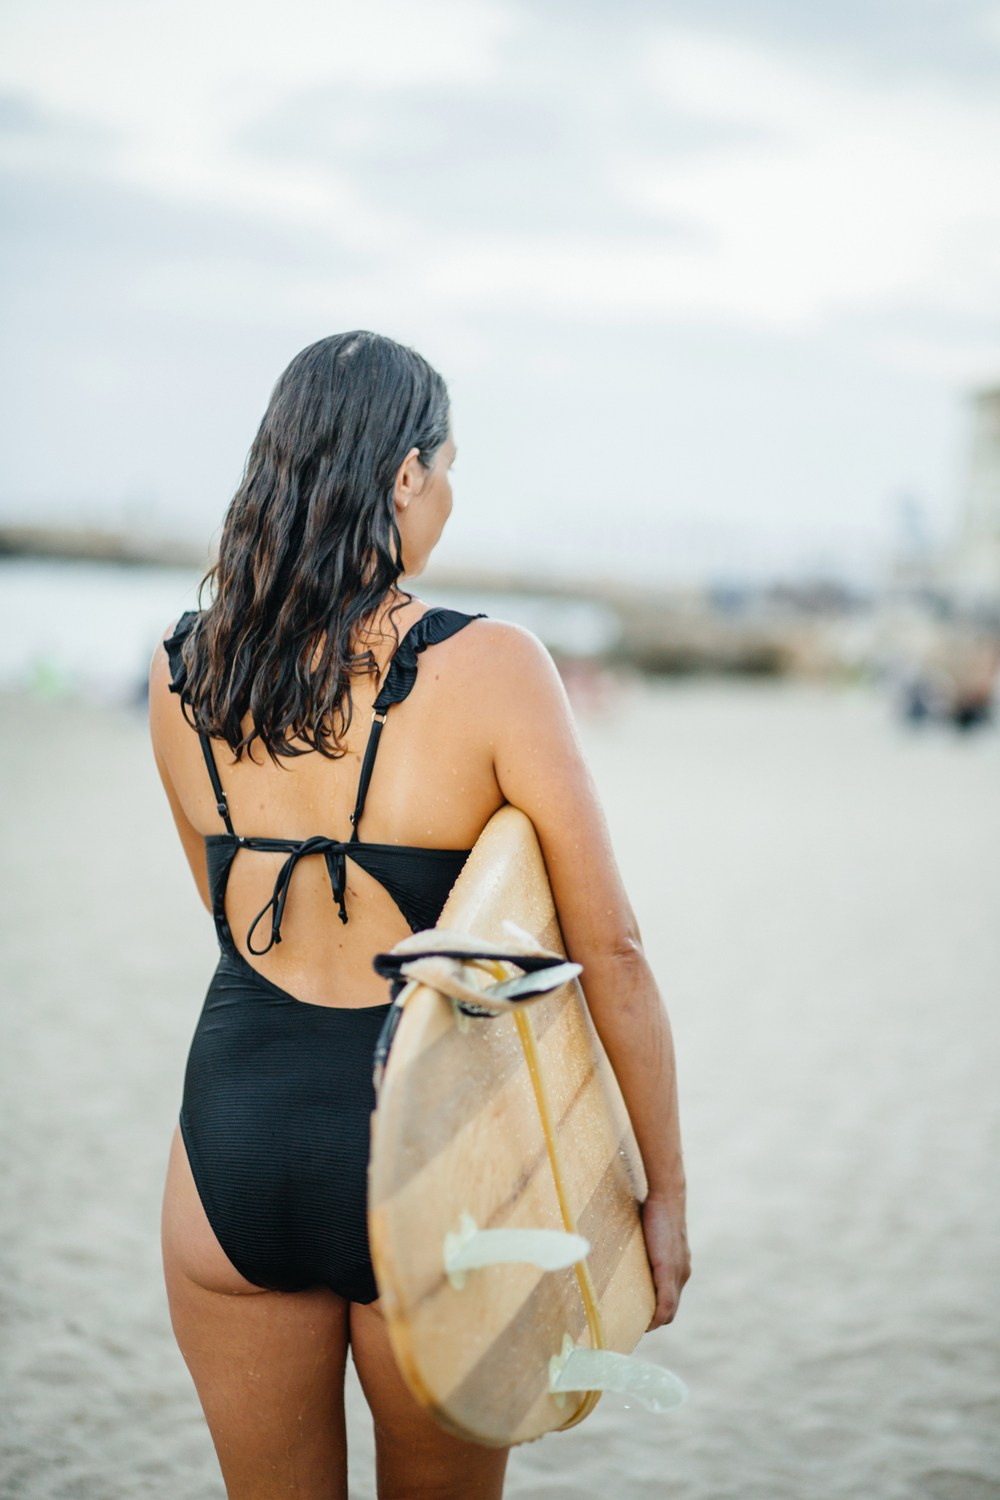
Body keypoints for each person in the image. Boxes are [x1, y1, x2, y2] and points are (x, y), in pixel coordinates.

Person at [148, 330, 690, 1500]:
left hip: (228, 1149)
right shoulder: (492, 665)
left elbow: (230, 914)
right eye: (446, 467)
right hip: (428, 1154)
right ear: (404, 476)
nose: (448, 494)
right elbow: (613, 952)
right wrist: (663, 1193)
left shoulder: (182, 672)